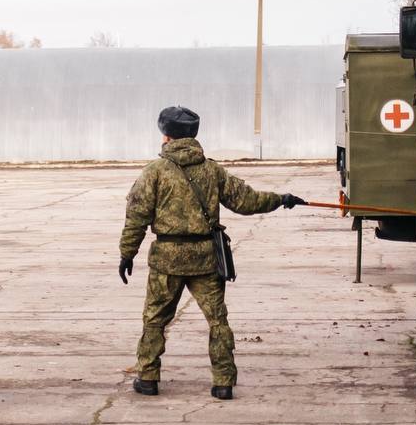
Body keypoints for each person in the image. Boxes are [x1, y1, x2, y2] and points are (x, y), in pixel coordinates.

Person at [118, 106, 305, 400]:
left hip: (167, 259)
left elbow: (137, 216)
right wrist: (281, 199)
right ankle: (223, 382)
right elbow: (246, 201)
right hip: (206, 258)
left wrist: (127, 253)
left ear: (166, 136)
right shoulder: (212, 171)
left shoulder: (154, 172)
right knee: (217, 320)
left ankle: (148, 378)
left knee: (155, 319)